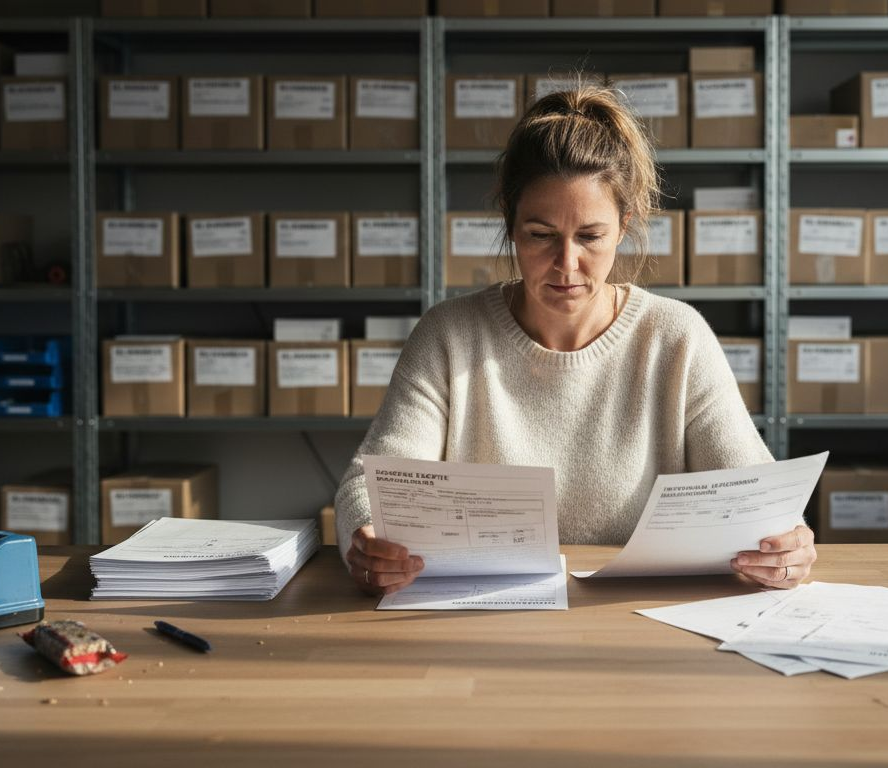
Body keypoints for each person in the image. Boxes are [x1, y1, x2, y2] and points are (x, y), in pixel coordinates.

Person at [334, 82, 817, 595]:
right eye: (541, 235)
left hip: (634, 625)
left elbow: (757, 497)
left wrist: (785, 544)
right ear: (510, 223)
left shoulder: (676, 338)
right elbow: (368, 485)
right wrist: (366, 541)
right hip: (480, 624)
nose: (567, 265)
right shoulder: (449, 334)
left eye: (590, 236)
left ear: (623, 226)